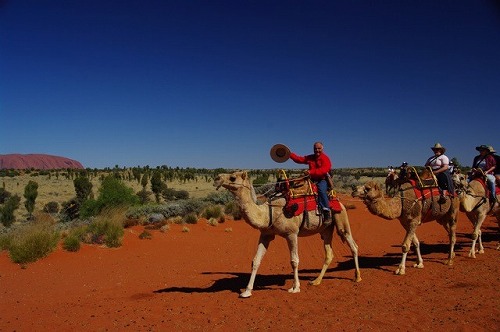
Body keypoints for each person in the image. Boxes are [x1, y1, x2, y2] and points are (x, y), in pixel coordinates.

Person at [290, 142, 332, 222]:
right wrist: (290, 154)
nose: (317, 150)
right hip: (311, 179)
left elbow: (324, 170)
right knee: (297, 186)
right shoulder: (311, 157)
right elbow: (300, 159)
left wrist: (310, 172)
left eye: (319, 148)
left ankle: (327, 212)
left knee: (321, 191)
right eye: (315, 149)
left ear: (322, 149)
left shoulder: (325, 158)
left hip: (322, 180)